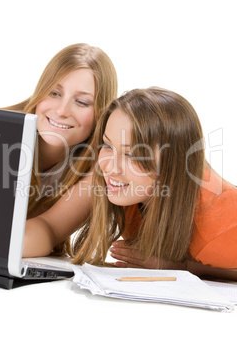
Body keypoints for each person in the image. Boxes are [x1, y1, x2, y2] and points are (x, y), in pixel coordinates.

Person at [70, 87, 237, 280]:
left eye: (131, 154)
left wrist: (183, 267)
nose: (109, 167)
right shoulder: (130, 194)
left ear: (173, 164)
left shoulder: (219, 224)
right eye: (107, 145)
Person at [14, 43, 118, 257]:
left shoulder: (97, 169)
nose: (61, 111)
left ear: (101, 112)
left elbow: (48, 229)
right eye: (54, 92)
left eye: (81, 102)